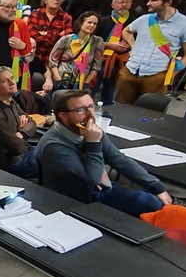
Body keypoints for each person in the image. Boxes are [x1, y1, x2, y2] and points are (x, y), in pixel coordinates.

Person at [36, 89, 172, 216]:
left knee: (153, 193)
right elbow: (91, 181)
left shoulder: (87, 130)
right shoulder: (53, 146)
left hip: (101, 184)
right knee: (147, 202)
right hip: (79, 197)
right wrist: (93, 144)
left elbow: (118, 159)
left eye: (91, 106)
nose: (90, 114)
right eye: (81, 109)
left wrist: (156, 186)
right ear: (63, 116)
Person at [116, 0, 186, 105]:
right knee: (119, 108)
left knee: (146, 113)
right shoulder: (144, 19)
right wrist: (133, 47)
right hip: (130, 71)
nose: (148, 3)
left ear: (168, 2)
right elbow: (126, 31)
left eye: (154, 0)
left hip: (157, 75)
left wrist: (173, 71)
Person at [0, 67, 40, 179]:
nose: (12, 83)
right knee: (56, 165)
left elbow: (32, 123)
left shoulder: (11, 102)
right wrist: (24, 132)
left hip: (26, 151)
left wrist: (20, 133)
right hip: (13, 164)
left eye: (12, 78)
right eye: (4, 81)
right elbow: (18, 148)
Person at [46, 11, 104, 93]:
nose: (92, 25)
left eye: (95, 24)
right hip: (62, 78)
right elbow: (53, 61)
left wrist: (86, 82)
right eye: (89, 22)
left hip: (81, 82)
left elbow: (96, 66)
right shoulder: (66, 39)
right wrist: (58, 79)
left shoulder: (97, 41)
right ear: (81, 23)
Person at [98, 0, 133, 105]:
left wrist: (129, 45)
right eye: (121, 2)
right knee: (90, 91)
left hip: (120, 63)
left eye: (127, 2)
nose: (124, 5)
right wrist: (109, 45)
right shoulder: (102, 21)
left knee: (110, 96)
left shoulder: (133, 23)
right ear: (113, 5)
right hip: (100, 59)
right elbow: (92, 41)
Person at [28, 0, 72, 69]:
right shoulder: (36, 14)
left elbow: (66, 41)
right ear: (45, 1)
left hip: (54, 62)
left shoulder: (66, 18)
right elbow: (32, 35)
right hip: (34, 58)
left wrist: (44, 34)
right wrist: (57, 35)